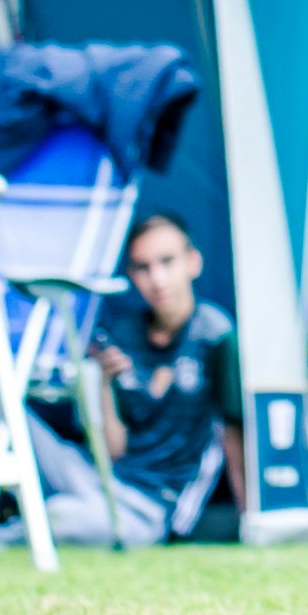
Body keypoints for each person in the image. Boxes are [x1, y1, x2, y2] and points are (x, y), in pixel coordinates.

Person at [82, 212, 244, 547]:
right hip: (106, 480)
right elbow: (114, 450)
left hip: (155, 503)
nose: (157, 279)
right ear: (131, 275)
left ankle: (0, 535)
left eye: (167, 262)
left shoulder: (215, 334)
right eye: (143, 267)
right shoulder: (123, 333)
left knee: (66, 517)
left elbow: (231, 433)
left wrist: (249, 517)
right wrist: (104, 384)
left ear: (193, 262)